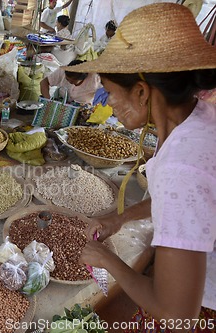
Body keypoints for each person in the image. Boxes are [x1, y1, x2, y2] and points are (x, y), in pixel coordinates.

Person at [65, 3, 216, 331]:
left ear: (142, 91)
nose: (108, 103)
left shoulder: (183, 168)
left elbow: (177, 315)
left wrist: (108, 261)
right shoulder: (195, 118)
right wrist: (119, 218)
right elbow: (175, 199)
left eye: (110, 93)